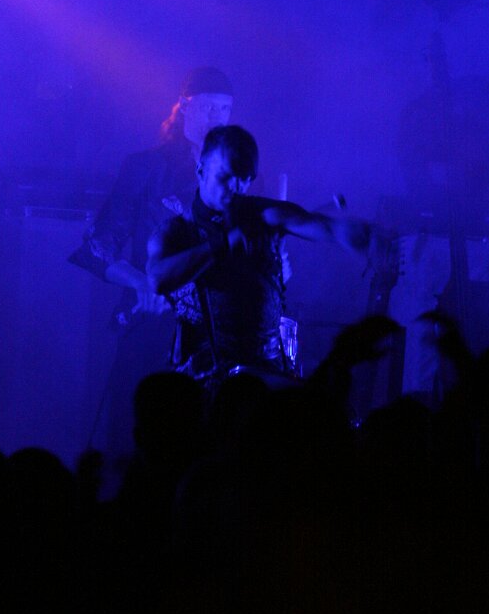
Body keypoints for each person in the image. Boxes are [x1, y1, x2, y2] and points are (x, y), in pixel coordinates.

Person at [68, 67, 235, 466]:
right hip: (152, 329)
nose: (217, 118)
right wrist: (143, 282)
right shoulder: (145, 168)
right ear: (185, 107)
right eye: (208, 107)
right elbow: (98, 247)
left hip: (215, 338)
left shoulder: (236, 177)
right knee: (141, 446)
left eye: (225, 109)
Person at [146, 124, 374, 384]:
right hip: (199, 384)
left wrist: (354, 234)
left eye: (245, 178)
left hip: (264, 379)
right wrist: (222, 244)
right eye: (225, 177)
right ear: (201, 170)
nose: (236, 187)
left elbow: (318, 225)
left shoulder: (262, 216)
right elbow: (157, 278)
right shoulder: (174, 232)